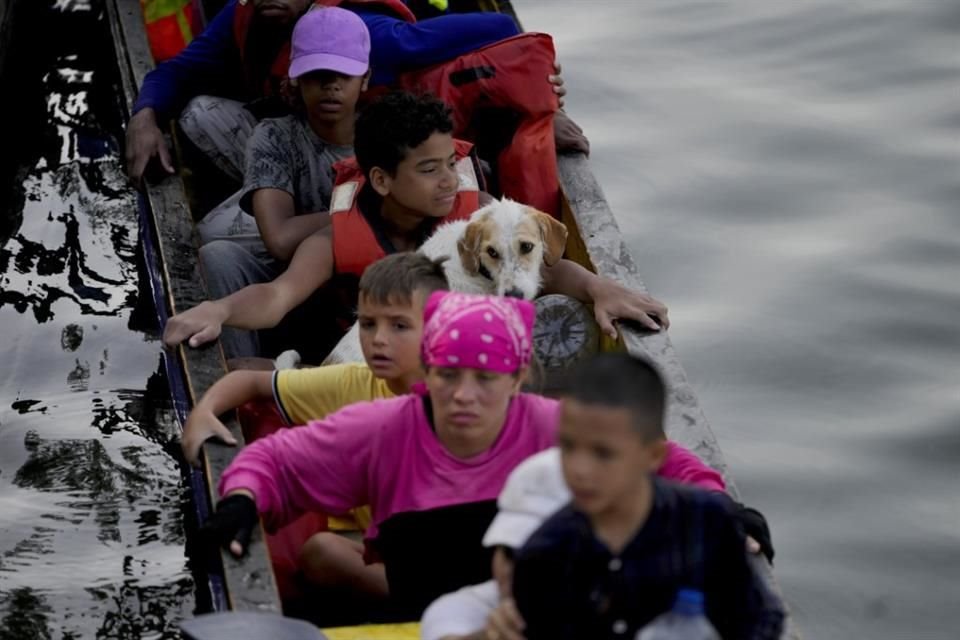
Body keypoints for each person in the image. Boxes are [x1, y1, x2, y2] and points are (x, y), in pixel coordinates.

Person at [201, 292, 681, 618]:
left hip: (525, 611)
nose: (463, 396)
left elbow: (666, 461)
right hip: (417, 609)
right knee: (322, 553)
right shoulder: (384, 428)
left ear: (516, 381)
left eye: (486, 380)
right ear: (427, 373)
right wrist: (242, 497)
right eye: (448, 375)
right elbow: (277, 461)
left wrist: (726, 509)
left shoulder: (558, 426)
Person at [162, 92, 668, 358]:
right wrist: (220, 308)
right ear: (380, 180)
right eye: (429, 170)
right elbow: (276, 298)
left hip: (449, 366)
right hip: (356, 362)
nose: (449, 181)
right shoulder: (333, 238)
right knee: (225, 271)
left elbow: (547, 272)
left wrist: (599, 287)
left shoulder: (478, 214)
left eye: (451, 163)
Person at [184, 251, 449, 600]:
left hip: (454, 556)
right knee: (322, 552)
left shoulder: (465, 396)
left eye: (399, 326)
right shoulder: (354, 383)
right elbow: (251, 383)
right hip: (389, 554)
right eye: (368, 324)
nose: (378, 340)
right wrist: (204, 411)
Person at [125, 0, 574, 189]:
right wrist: (144, 116)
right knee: (199, 113)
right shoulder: (242, 15)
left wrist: (541, 91)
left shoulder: (363, 33)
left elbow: (499, 27)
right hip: (301, 142)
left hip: (367, 163)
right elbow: (180, 70)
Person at [509, 353, 786, 639]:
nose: (580, 470)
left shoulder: (705, 522)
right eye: (568, 447)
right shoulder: (544, 554)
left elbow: (758, 621)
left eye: (603, 454)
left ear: (653, 455)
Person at [194, 7, 368, 359]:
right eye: (318, 75)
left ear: (365, 79)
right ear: (295, 79)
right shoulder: (275, 136)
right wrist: (366, 208)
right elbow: (280, 239)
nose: (331, 86)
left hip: (364, 282)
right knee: (217, 254)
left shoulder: (386, 135)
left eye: (344, 76)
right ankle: (237, 376)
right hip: (290, 282)